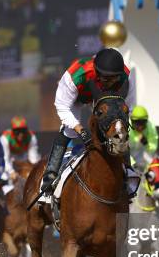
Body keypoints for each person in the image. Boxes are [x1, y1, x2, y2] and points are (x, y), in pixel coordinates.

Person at [40, 47, 136, 194]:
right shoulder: (76, 75)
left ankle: (128, 170)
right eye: (106, 79)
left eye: (114, 78)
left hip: (107, 101)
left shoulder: (126, 77)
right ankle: (50, 173)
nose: (109, 84)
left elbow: (128, 107)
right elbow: (62, 106)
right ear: (97, 73)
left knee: (118, 128)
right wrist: (81, 130)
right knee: (70, 131)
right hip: (78, 96)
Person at [0, 115, 40, 181]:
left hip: (23, 159)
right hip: (9, 160)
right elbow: (5, 158)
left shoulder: (31, 137)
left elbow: (33, 159)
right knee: (4, 177)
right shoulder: (5, 138)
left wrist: (32, 169)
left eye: (23, 131)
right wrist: (11, 172)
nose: (21, 134)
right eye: (17, 131)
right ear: (12, 131)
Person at [129, 105, 159, 172]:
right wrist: (132, 163)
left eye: (142, 123)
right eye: (137, 123)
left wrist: (146, 143)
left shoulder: (150, 127)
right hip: (131, 163)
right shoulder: (127, 128)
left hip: (145, 162)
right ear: (132, 121)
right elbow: (124, 150)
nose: (140, 127)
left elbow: (153, 150)